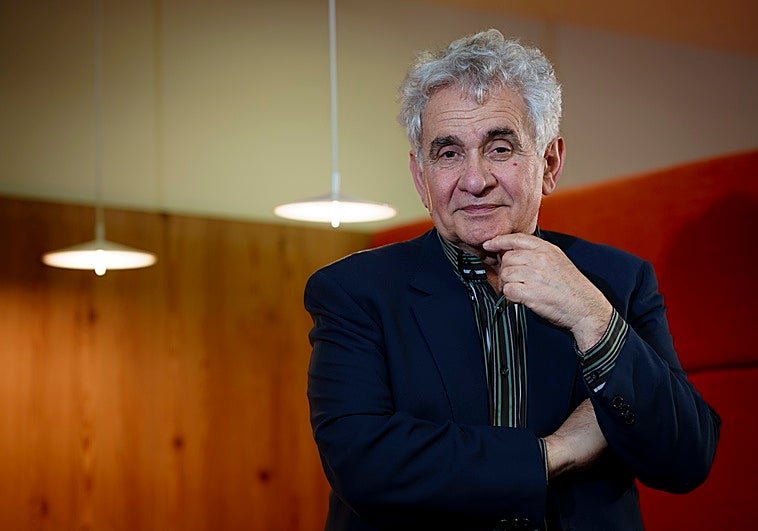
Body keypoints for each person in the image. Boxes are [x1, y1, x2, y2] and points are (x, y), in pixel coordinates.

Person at [304, 29, 720, 531]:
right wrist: (556, 452)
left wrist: (591, 317)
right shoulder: (354, 292)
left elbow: (686, 460)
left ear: (549, 163)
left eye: (500, 148)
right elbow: (364, 465)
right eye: (448, 153)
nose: (474, 180)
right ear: (420, 178)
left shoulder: (618, 281)